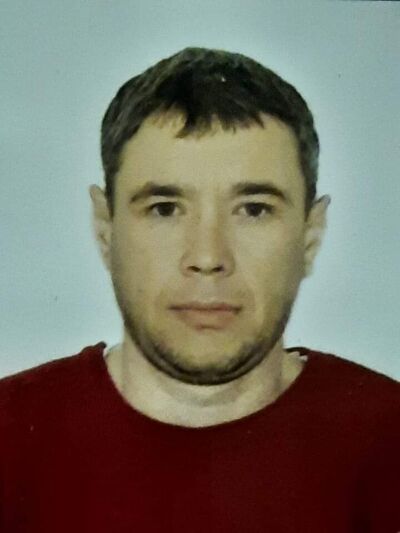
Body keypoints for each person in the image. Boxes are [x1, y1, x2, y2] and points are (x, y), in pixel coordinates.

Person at [0, 46, 398, 532]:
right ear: (105, 228)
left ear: (310, 236)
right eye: (165, 209)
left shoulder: (389, 440)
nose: (208, 257)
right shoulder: (9, 435)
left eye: (254, 209)